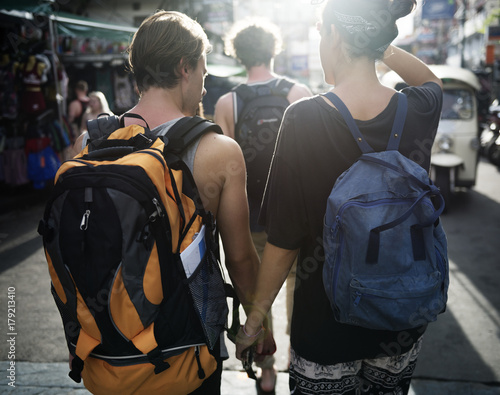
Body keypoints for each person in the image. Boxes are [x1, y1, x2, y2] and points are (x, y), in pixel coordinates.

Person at [235, 1, 443, 394]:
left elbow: (282, 242)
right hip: (399, 324)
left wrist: (253, 323)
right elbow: (432, 81)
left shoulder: (303, 117)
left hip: (325, 330)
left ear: (332, 35)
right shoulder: (417, 109)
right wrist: (378, 43)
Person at [73, 10, 264, 394]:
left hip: (109, 356)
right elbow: (240, 259)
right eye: (204, 75)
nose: (205, 89)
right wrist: (256, 326)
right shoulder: (217, 150)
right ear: (184, 68)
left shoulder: (89, 144)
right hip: (186, 358)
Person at [214, 19, 312, 394]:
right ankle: (298, 358)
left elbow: (226, 166)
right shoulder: (297, 92)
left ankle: (267, 367)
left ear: (238, 53)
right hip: (296, 216)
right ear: (274, 49)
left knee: (258, 291)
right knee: (297, 288)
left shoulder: (228, 102)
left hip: (251, 216)